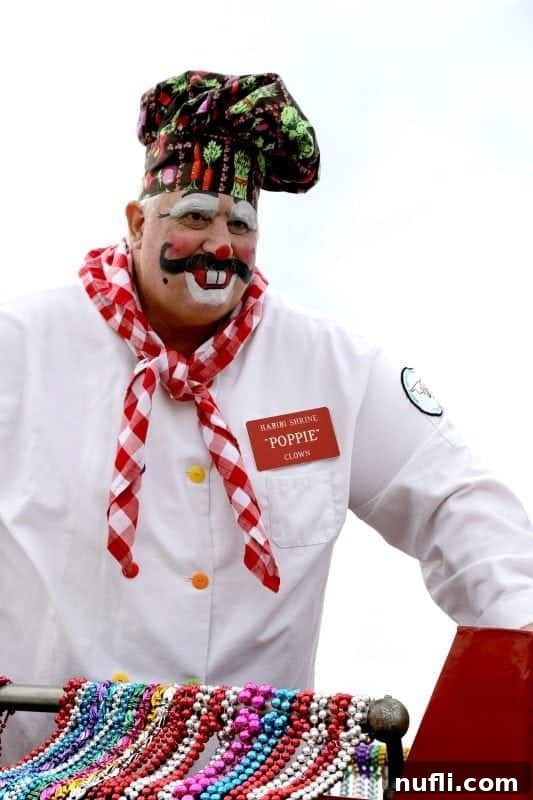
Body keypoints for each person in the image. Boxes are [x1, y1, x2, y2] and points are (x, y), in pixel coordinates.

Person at [1, 70, 533, 765]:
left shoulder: (333, 370)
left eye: (241, 224)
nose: (220, 244)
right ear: (135, 223)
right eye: (195, 216)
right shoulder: (21, 348)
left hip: (254, 775)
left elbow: (459, 506)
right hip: (40, 770)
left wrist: (518, 646)